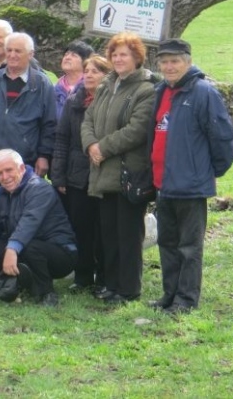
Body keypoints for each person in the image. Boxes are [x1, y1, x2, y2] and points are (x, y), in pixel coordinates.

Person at [149, 38, 233, 315]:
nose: (169, 66)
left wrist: (208, 172)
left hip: (190, 186)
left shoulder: (203, 93)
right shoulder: (161, 91)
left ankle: (186, 299)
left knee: (189, 247)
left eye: (175, 61)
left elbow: (222, 137)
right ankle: (169, 295)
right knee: (168, 244)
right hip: (164, 183)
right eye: (165, 61)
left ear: (187, 61)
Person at [81, 32, 157, 305]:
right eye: (114, 54)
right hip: (102, 173)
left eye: (124, 54)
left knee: (128, 235)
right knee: (109, 234)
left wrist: (103, 148)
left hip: (127, 174)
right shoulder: (106, 86)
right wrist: (90, 145)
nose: (118, 59)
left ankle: (128, 289)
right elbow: (88, 119)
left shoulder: (145, 90)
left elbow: (136, 130)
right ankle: (111, 285)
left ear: (137, 57)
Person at [0, 149, 77, 307]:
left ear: (22, 168)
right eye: (0, 173)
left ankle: (47, 293)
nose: (5, 177)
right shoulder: (2, 194)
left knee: (30, 247)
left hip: (61, 253)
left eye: (9, 170)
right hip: (27, 247)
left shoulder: (40, 188)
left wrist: (12, 249)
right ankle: (19, 285)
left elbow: (29, 222)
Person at [50, 54, 112, 293]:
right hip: (76, 176)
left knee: (103, 229)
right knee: (81, 227)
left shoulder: (111, 102)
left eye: (96, 71)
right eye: (87, 70)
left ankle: (104, 277)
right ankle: (83, 275)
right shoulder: (73, 102)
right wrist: (59, 177)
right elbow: (62, 140)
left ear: (107, 76)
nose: (89, 75)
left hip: (104, 175)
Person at [0, 32, 57, 181]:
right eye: (9, 50)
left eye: (18, 51)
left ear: (30, 54)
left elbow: (49, 123)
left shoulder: (41, 84)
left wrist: (44, 155)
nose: (12, 55)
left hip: (23, 162)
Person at [54, 40, 95, 120]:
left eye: (74, 55)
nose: (67, 58)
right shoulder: (54, 87)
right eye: (66, 55)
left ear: (85, 61)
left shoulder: (90, 87)